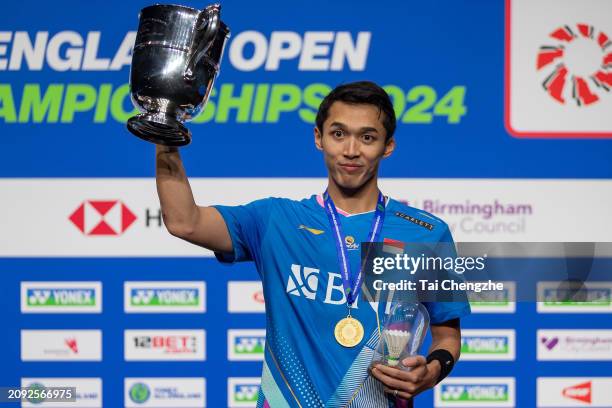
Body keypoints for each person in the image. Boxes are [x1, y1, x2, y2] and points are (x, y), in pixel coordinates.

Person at [156, 81, 470, 407]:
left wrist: (433, 371)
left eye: (367, 137)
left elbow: (447, 337)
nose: (351, 150)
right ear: (318, 138)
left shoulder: (426, 233)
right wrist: (164, 133)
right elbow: (184, 221)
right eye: (338, 134)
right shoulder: (276, 221)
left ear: (387, 146)